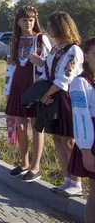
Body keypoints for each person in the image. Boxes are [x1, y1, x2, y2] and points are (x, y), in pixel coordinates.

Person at [4, 6, 51, 182]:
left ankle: (36, 166)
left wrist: (41, 63)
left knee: (36, 126)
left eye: (31, 20)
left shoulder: (41, 39)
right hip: (18, 84)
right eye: (24, 20)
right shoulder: (14, 40)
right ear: (18, 22)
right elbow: (9, 66)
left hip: (35, 85)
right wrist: (7, 90)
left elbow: (50, 63)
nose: (28, 23)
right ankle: (24, 162)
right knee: (20, 126)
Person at [39, 11, 84, 195]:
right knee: (57, 139)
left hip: (67, 98)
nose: (48, 29)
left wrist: (46, 94)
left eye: (51, 25)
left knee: (69, 140)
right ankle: (67, 179)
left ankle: (77, 183)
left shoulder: (74, 50)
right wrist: (44, 93)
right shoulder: (56, 49)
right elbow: (48, 71)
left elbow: (65, 77)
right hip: (52, 97)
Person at [68, 38, 95, 220]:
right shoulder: (80, 83)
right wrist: (85, 150)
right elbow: (80, 117)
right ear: (86, 56)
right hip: (92, 139)